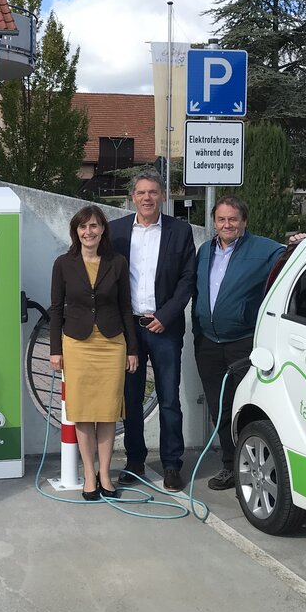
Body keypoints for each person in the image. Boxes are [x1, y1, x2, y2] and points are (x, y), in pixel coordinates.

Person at [194, 195, 299, 490]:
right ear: (214, 222)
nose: (227, 224)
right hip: (208, 343)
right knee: (219, 408)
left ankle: (252, 467)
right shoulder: (205, 251)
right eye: (221, 219)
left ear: (244, 222)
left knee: (245, 407)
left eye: (233, 219)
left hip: (242, 343)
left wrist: (296, 243)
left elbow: (288, 258)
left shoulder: (262, 249)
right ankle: (230, 466)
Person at [109, 169, 197, 492]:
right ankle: (134, 461)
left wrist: (166, 315)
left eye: (153, 192)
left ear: (163, 196)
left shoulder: (180, 231)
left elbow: (188, 279)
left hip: (165, 328)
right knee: (131, 398)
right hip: (129, 328)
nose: (147, 198)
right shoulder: (116, 232)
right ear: (133, 197)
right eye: (141, 193)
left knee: (169, 399)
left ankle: (172, 464)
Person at [49, 205, 138, 501]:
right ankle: (89, 475)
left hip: (112, 343)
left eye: (94, 226)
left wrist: (132, 349)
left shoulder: (117, 262)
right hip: (77, 343)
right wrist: (55, 350)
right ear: (76, 231)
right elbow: (56, 309)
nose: (89, 232)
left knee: (108, 412)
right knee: (84, 412)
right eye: (83, 227)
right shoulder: (63, 263)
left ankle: (105, 476)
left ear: (103, 230)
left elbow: (126, 307)